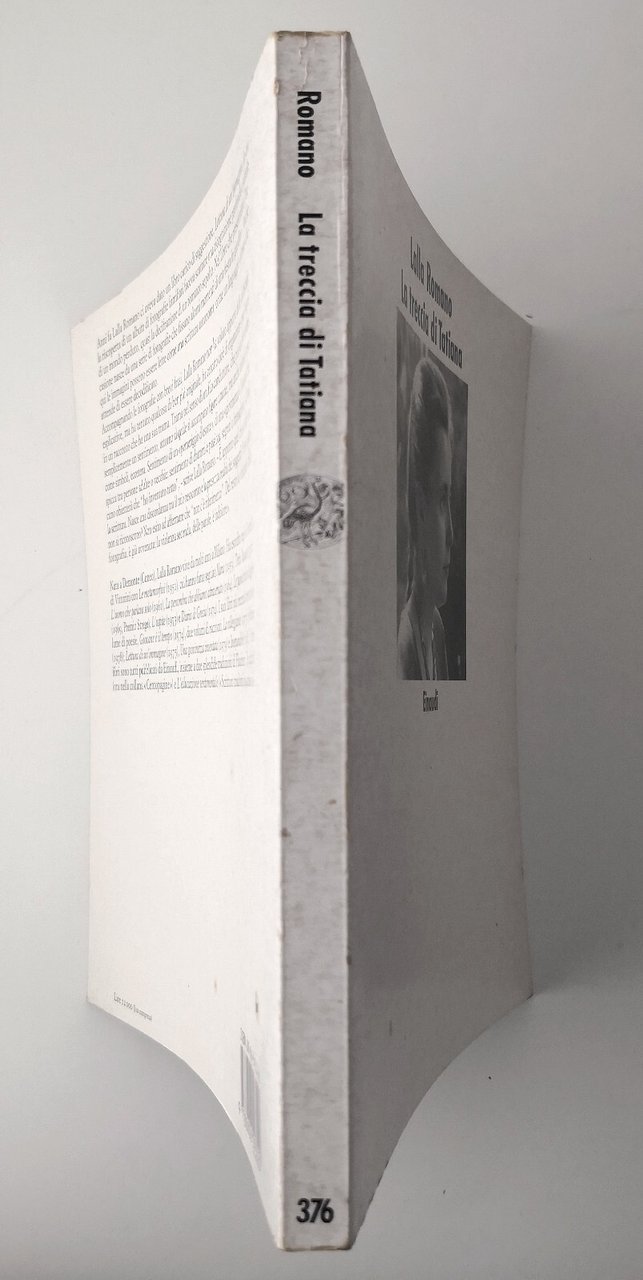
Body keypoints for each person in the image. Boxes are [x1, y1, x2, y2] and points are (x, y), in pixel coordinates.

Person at [397, 355, 453, 680]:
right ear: (419, 506)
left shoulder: (436, 628)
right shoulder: (405, 647)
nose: (452, 537)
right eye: (441, 501)